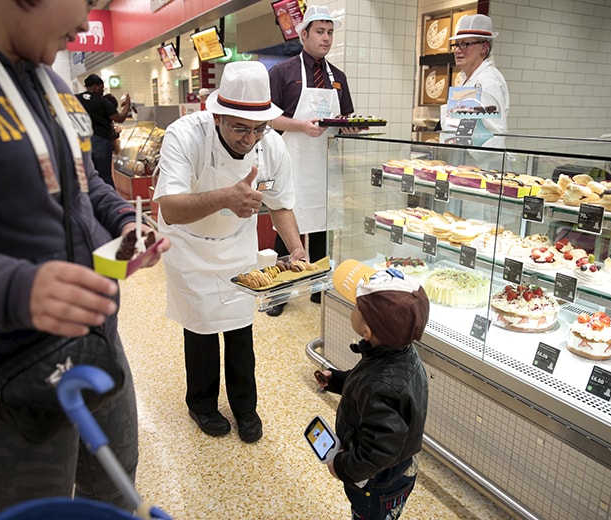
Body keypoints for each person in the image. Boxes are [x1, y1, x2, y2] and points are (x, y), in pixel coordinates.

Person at [0, 0, 170, 517]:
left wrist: (123, 222)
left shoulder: (49, 79)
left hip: (92, 343)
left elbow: (83, 179)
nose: (87, 22)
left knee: (112, 492)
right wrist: (15, 289)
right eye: (87, 1)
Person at [154, 61, 308, 443]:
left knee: (240, 327)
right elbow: (170, 207)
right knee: (202, 325)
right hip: (189, 243)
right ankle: (202, 403)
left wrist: (297, 249)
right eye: (240, 127)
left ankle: (245, 407)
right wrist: (227, 196)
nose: (249, 138)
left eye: (258, 128)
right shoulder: (185, 136)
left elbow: (281, 203)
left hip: (236, 241)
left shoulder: (268, 143)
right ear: (217, 114)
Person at [267, 4, 362, 316]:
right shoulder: (282, 73)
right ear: (303, 34)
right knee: (287, 225)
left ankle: (318, 289)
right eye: (320, 32)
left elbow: (344, 117)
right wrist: (300, 126)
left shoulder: (339, 77)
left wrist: (350, 125)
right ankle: (279, 294)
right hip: (292, 159)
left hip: (324, 164)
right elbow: (270, 119)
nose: (326, 38)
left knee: (321, 226)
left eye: (330, 32)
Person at [315, 263, 430, 520]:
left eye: (357, 306)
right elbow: (365, 386)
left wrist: (342, 467)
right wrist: (337, 381)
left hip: (378, 481)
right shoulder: (398, 354)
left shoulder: (382, 382)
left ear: (367, 330)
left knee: (369, 515)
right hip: (395, 468)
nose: (353, 308)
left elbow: (380, 451)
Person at [441, 14, 509, 135]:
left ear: (484, 47)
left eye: (465, 44)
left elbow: (495, 135)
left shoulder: (488, 81)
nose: (457, 50)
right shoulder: (466, 79)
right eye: (456, 44)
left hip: (475, 154)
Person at [76, 73, 131, 187]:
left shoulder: (75, 99)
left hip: (81, 141)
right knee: (104, 175)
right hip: (100, 141)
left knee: (86, 174)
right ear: (96, 86)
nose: (102, 91)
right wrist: (127, 105)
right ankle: (109, 201)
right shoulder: (101, 101)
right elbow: (119, 118)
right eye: (102, 87)